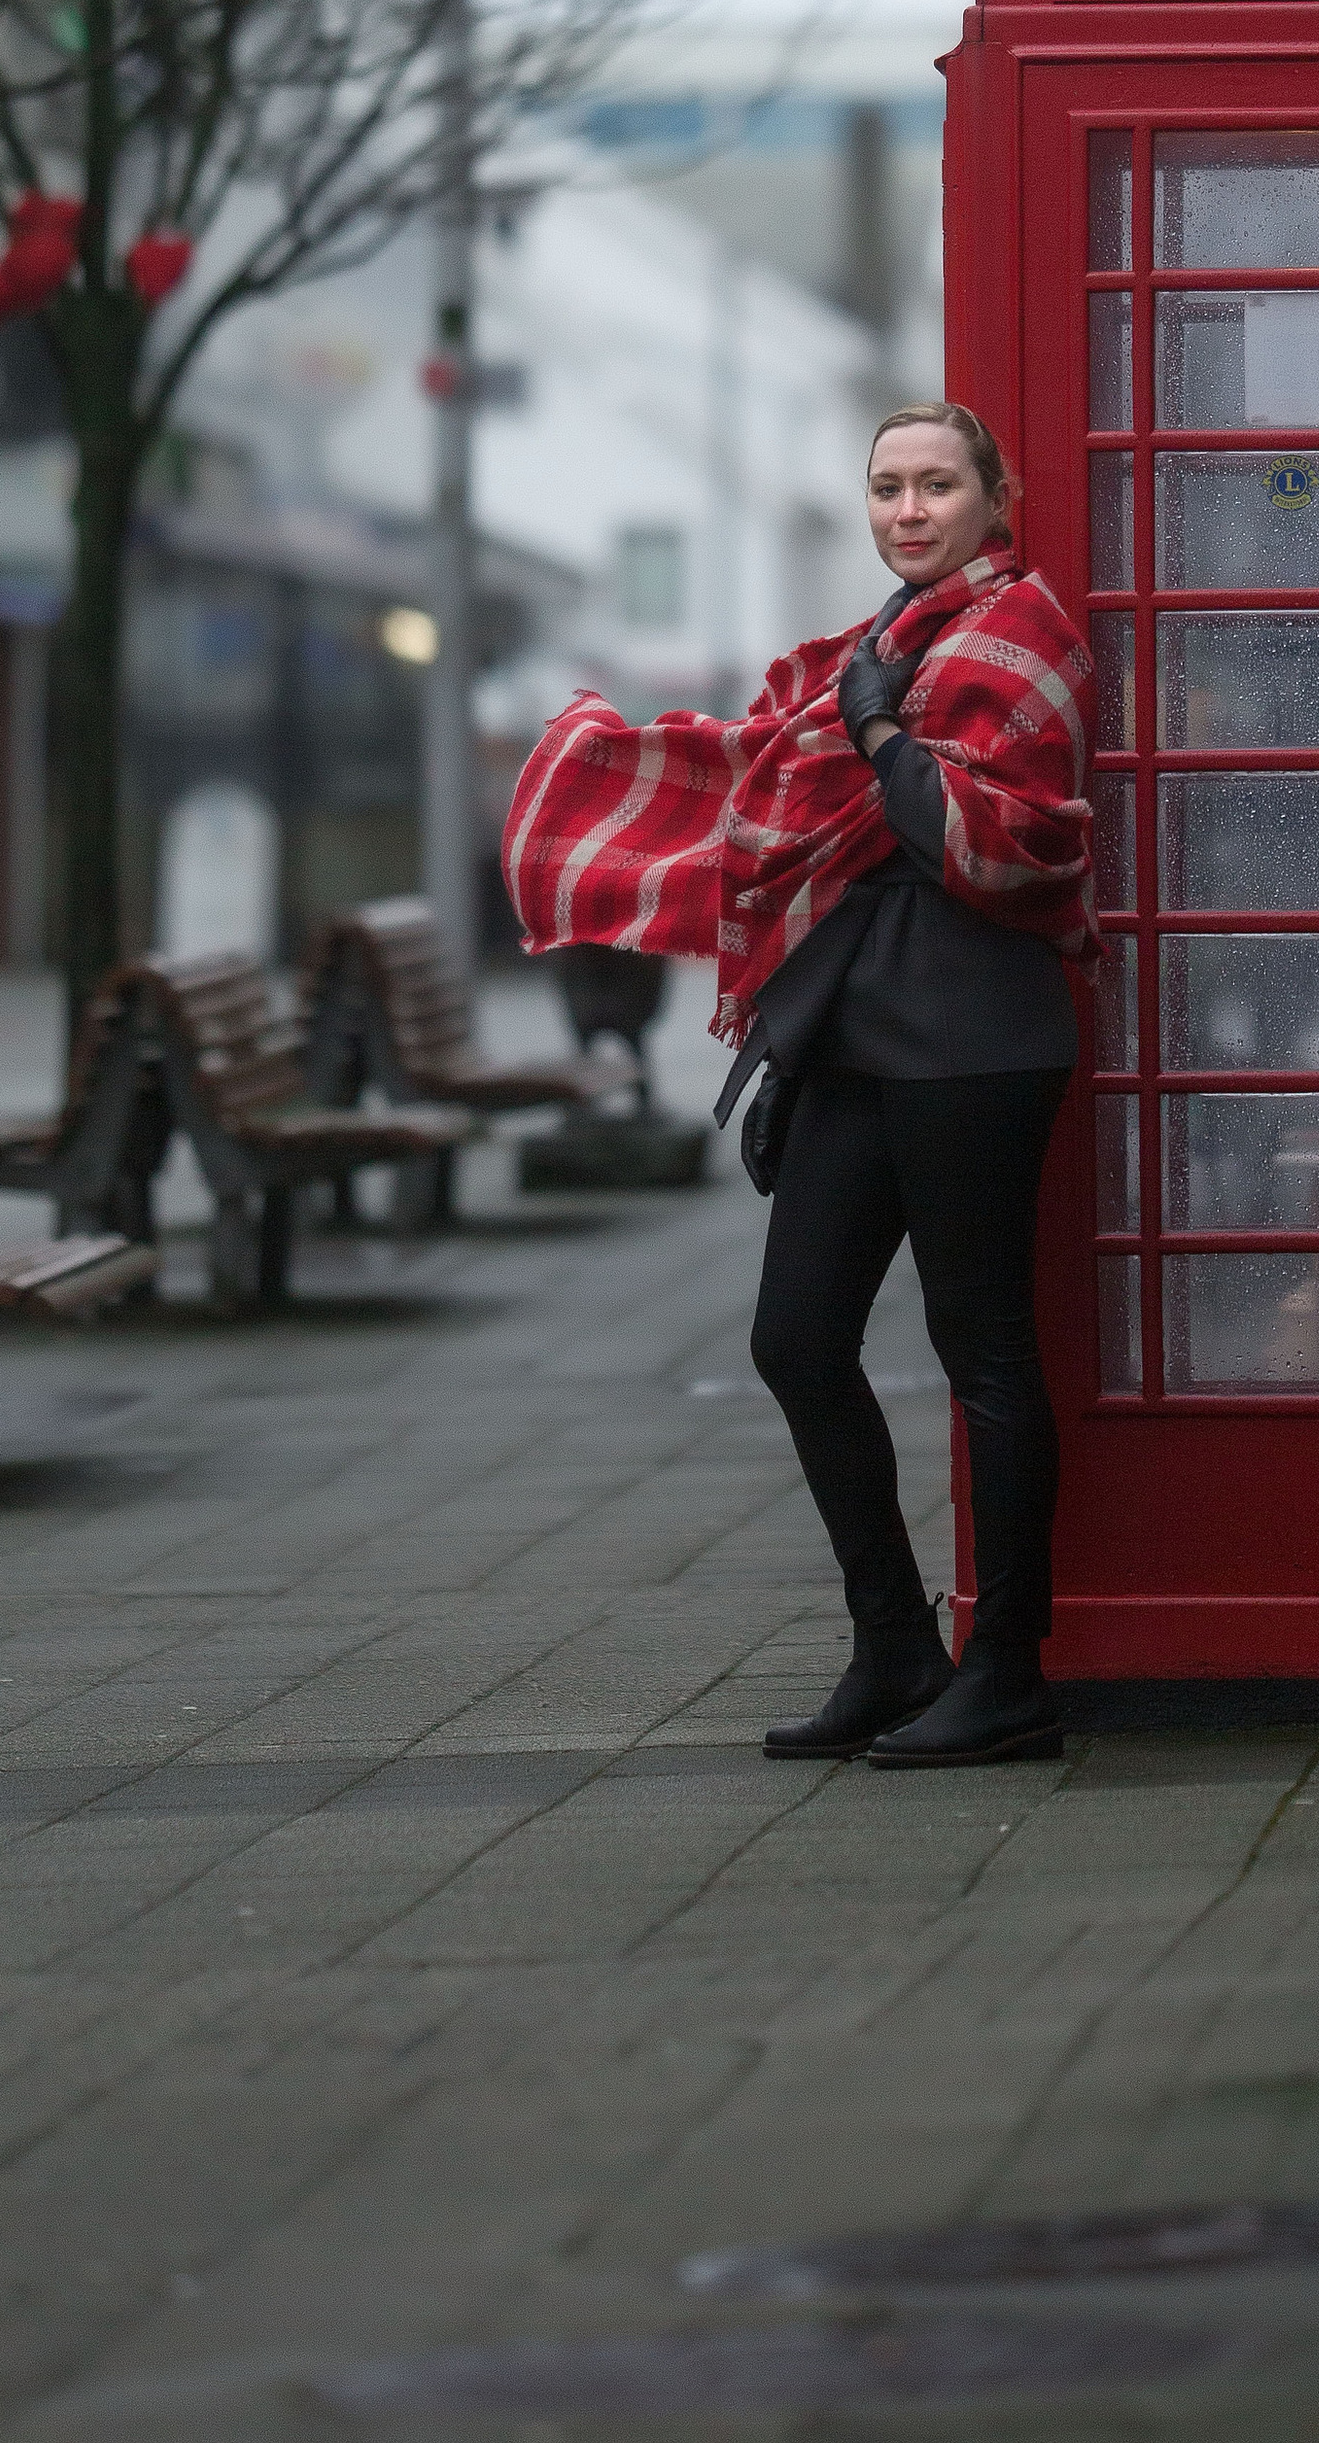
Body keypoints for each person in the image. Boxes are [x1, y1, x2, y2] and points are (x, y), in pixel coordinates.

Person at [504, 400, 1096, 1771]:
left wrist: (888, 743)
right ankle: (894, 1639)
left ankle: (1006, 1668)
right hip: (860, 1040)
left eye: (936, 483)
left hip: (974, 1043)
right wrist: (789, 1036)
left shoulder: (1026, 636)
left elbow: (992, 849)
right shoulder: (876, 647)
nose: (907, 509)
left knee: (984, 1351)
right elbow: (800, 830)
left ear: (994, 496)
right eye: (887, 485)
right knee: (795, 1335)